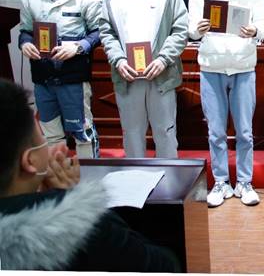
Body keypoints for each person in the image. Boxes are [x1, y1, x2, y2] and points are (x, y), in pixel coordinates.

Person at [0, 79, 180, 272]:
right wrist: (78, 205)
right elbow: (166, 266)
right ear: (30, 161)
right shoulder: (82, 229)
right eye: (42, 136)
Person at [188, 0, 264, 207]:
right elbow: (190, 26)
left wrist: (256, 30)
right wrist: (197, 29)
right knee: (216, 132)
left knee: (245, 132)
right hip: (211, 66)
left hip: (243, 65)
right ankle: (221, 182)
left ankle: (245, 182)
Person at [99, 0, 188, 158]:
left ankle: (169, 179)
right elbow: (106, 31)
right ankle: (136, 178)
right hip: (127, 76)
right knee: (132, 134)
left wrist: (163, 59)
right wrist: (118, 60)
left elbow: (180, 29)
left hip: (161, 75)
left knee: (165, 133)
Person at [18, 0, 101, 158]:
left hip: (73, 76)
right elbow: (25, 31)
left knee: (82, 132)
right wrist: (25, 43)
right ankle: (57, 175)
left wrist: (79, 47)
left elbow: (99, 31)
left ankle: (89, 176)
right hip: (43, 77)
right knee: (50, 134)